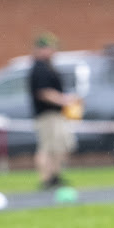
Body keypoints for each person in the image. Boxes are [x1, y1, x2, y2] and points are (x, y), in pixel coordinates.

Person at [28, 32, 77, 189]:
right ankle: (46, 178)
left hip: (56, 114)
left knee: (59, 146)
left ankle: (55, 176)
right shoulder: (39, 68)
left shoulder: (48, 66)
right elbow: (44, 92)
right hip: (46, 115)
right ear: (40, 49)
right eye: (49, 48)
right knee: (47, 147)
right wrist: (64, 100)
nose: (53, 51)